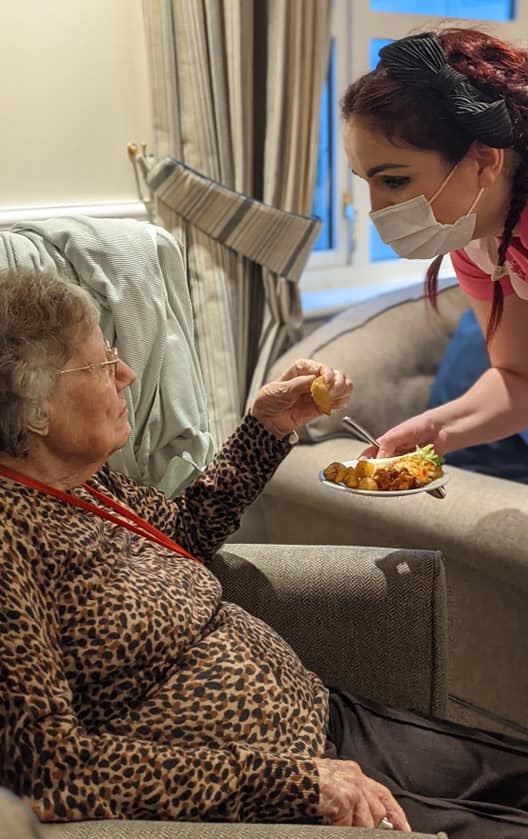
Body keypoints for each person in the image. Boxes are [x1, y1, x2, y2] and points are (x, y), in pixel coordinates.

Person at [3, 269, 528, 839]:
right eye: (101, 365)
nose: (127, 374)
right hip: (277, 790)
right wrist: (298, 784)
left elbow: (180, 536)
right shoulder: (11, 543)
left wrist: (267, 427)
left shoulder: (82, 484)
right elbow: (51, 776)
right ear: (35, 410)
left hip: (320, 719)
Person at [341, 26, 528, 459]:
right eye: (366, 182)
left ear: (485, 159)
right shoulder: (480, 242)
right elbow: (519, 378)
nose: (377, 210)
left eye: (395, 180)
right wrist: (438, 427)